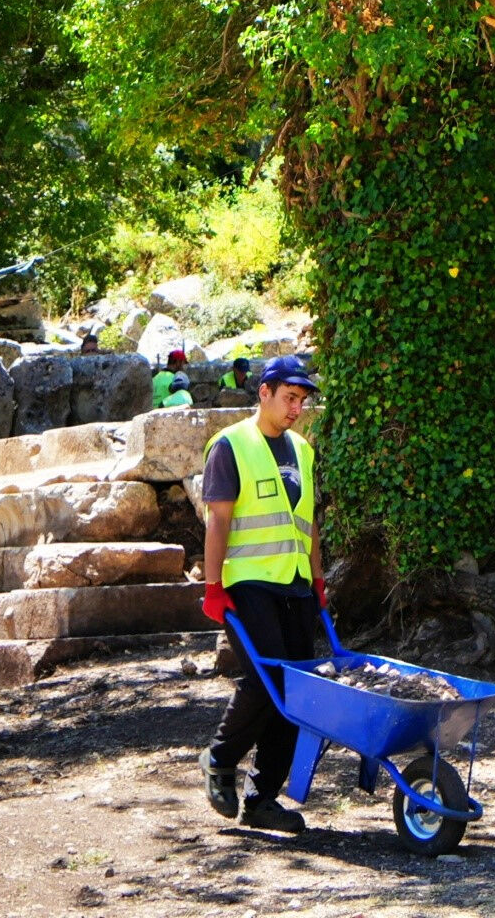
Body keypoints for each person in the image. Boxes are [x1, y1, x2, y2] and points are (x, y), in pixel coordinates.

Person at [196, 350, 324, 832]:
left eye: (301, 401)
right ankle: (220, 759)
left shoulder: (303, 451)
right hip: (248, 582)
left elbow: (309, 523)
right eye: (288, 398)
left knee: (298, 689)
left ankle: (262, 797)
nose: (296, 408)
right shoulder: (231, 445)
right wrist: (213, 586)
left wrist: (318, 578)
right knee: (267, 679)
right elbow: (219, 520)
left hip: (294, 583)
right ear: (263, 393)